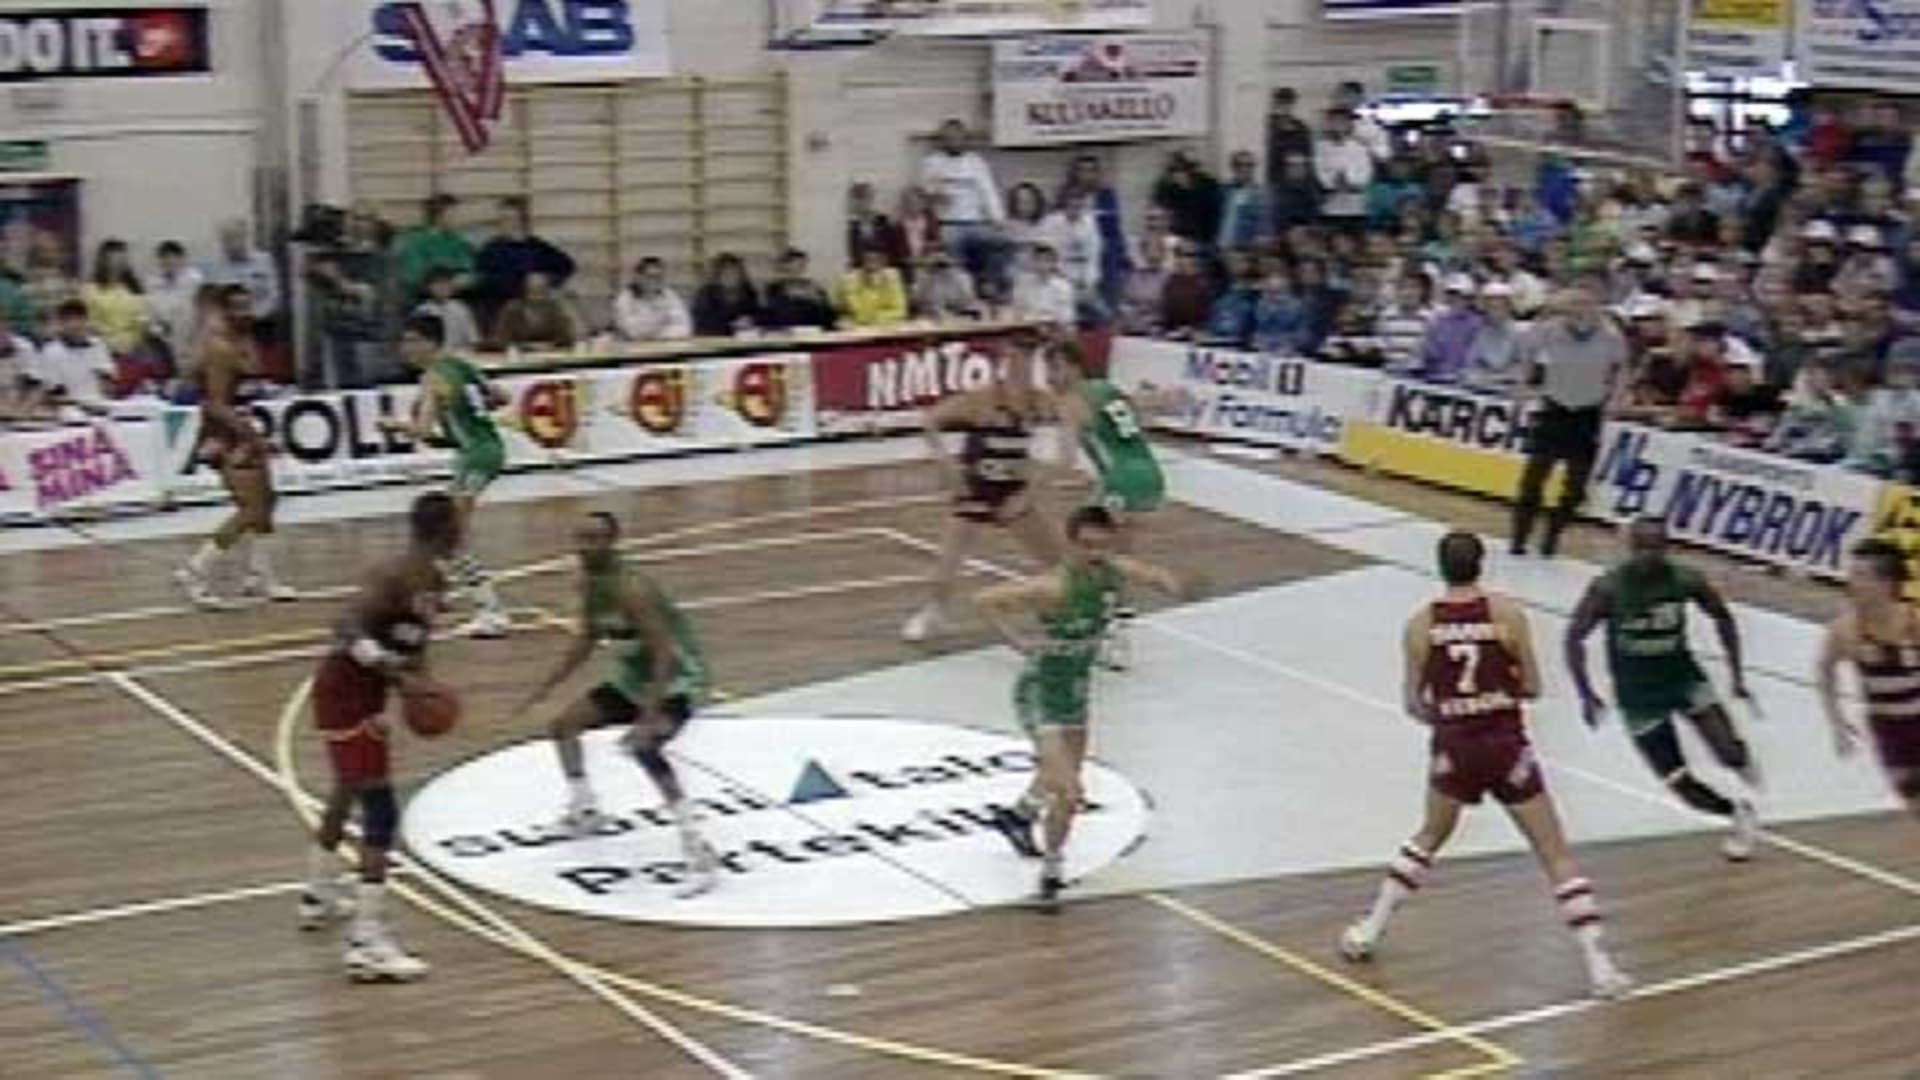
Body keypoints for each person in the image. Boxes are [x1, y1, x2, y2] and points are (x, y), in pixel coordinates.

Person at [1338, 531, 1633, 1000]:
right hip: (1505, 746)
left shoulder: (1419, 626)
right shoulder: (1507, 615)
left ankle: (1369, 930)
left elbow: (1413, 703)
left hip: (1455, 746)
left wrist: (1451, 715)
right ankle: (1601, 968)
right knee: (1555, 853)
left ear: (1441, 567)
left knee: (1428, 837)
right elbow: (1533, 687)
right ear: (1482, 565)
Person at [976, 505, 1186, 907]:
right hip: (1041, 691)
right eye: (1086, 546)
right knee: (1070, 791)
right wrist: (1017, 641)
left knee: (1061, 776)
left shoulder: (1112, 572)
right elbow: (984, 600)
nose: (1094, 554)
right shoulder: (1053, 587)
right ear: (1070, 544)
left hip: (1075, 692)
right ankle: (1051, 874)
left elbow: (1151, 574)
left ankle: (1020, 817)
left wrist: (1173, 583)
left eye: (1101, 547)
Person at [298, 491, 463, 982]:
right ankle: (367, 944)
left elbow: (416, 649)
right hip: (344, 691)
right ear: (446, 531)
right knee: (381, 810)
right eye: (459, 525)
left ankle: (318, 895)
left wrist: (423, 688)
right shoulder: (391, 575)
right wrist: (391, 670)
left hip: (365, 695)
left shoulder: (435, 582)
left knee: (347, 790)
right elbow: (345, 626)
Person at [514, 511, 718, 898]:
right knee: (562, 726)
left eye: (594, 539)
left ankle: (698, 851)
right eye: (580, 538)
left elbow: (665, 654)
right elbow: (587, 639)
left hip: (676, 681)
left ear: (613, 542)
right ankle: (586, 809)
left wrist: (649, 713)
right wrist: (546, 685)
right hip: (632, 680)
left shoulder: (632, 590)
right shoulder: (589, 583)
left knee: (646, 749)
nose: (585, 546)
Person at [1566, 518, 1762, 858]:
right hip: (1638, 697)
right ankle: (1736, 813)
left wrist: (1737, 676)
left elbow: (1723, 618)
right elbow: (1573, 639)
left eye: (1655, 548)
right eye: (1642, 548)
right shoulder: (1608, 588)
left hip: (1683, 679)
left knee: (1728, 751)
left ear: (1667, 548)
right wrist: (1585, 694)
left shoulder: (1686, 580)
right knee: (1679, 783)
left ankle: (1741, 759)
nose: (1648, 555)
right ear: (1631, 548)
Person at [902, 333, 1066, 642]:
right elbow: (931, 420)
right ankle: (933, 612)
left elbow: (1070, 424)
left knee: (1057, 557)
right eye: (1013, 358)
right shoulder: (983, 398)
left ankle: (1052, 607)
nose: (1018, 365)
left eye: (1025, 359)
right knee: (950, 558)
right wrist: (946, 465)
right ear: (1005, 360)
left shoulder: (1041, 400)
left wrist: (1030, 491)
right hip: (976, 488)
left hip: (1013, 489)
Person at [384, 312, 512, 638]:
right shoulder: (461, 365)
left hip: (476, 455)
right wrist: (469, 412)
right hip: (484, 450)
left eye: (412, 340)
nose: (405, 348)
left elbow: (422, 431)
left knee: (449, 535)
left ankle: (492, 612)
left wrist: (394, 425)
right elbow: (501, 397)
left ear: (431, 342)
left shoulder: (433, 378)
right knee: (446, 529)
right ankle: (440, 592)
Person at [1053, 344, 1169, 669]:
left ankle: (1092, 629)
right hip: (1151, 474)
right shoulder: (1105, 388)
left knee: (1086, 552)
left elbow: (1065, 460)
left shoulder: (1071, 402)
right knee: (1120, 556)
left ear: (1074, 368)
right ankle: (1116, 631)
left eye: (1056, 368)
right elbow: (1137, 419)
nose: (1051, 376)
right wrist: (1158, 399)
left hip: (1120, 479)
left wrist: (1040, 479)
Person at [177, 286, 292, 607]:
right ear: (225, 311)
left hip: (245, 427)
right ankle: (196, 569)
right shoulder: (219, 348)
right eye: (237, 307)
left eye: (248, 306)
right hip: (227, 435)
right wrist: (250, 437)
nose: (245, 313)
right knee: (250, 509)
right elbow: (216, 404)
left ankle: (260, 576)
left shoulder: (246, 341)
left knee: (266, 502)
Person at [1511, 278, 1627, 557]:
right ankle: (1520, 535)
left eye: (1587, 303)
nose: (1580, 308)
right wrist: (1523, 385)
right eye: (1575, 302)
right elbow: (1527, 354)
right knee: (1533, 477)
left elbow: (1622, 367)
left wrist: (1616, 397)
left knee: (1576, 486)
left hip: (1587, 412)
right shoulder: (1549, 330)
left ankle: (1553, 532)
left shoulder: (1611, 336)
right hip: (1554, 407)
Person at [1819, 539, 1920, 816]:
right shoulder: (1843, 631)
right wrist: (1837, 722)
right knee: (1913, 802)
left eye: (1860, 576)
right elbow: (1825, 671)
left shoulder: (1913, 621)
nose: (1851, 583)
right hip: (1889, 730)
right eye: (1851, 574)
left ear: (1885, 584)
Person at [473, 195, 576, 330]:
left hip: (536, 301)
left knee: (567, 299)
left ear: (521, 220)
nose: (504, 223)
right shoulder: (491, 248)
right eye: (502, 219)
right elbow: (483, 278)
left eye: (509, 218)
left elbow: (567, 265)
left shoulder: (536, 245)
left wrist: (546, 279)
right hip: (504, 305)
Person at [33, 299, 118, 416]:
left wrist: (106, 391)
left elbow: (109, 383)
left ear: (86, 321)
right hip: (69, 410)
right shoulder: (51, 351)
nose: (75, 325)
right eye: (69, 321)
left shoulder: (98, 345)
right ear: (61, 324)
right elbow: (56, 393)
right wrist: (80, 408)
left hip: (100, 406)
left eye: (79, 319)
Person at [612, 256, 693, 342]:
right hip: (632, 347)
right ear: (638, 277)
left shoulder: (669, 295)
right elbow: (633, 332)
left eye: (658, 277)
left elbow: (685, 328)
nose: (654, 281)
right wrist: (664, 327)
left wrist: (655, 334)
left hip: (664, 345)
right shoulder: (625, 299)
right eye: (650, 276)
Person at [493, 271, 578, 350]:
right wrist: (527, 346)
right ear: (526, 290)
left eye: (541, 290)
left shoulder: (555, 308)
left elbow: (567, 336)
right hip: (520, 354)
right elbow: (502, 340)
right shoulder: (512, 309)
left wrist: (551, 345)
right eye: (533, 290)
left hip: (551, 353)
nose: (538, 295)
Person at [762, 248, 839, 331]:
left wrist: (815, 300)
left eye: (803, 265)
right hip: (789, 330)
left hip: (814, 330)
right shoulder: (774, 288)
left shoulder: (814, 287)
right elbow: (776, 313)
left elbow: (829, 312)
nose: (801, 268)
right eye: (797, 264)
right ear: (785, 266)